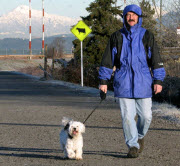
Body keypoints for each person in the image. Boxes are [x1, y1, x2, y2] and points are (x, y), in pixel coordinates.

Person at [98, 4, 166, 158]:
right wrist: (103, 81)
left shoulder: (147, 35)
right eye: (128, 15)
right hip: (123, 83)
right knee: (128, 117)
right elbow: (108, 61)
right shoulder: (116, 36)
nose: (131, 17)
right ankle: (133, 145)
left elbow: (156, 59)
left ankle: (140, 136)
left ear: (139, 17)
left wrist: (158, 80)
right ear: (124, 17)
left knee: (146, 116)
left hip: (144, 83)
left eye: (134, 15)